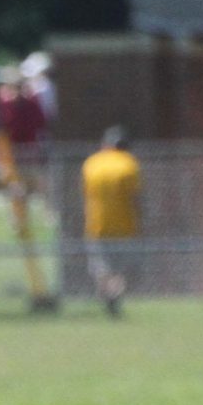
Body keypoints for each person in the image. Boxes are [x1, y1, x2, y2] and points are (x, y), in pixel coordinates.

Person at [80, 126, 143, 316]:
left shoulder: (91, 163)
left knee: (101, 269)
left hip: (96, 225)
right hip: (125, 226)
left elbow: (85, 194)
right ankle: (114, 296)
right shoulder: (129, 163)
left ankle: (107, 295)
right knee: (122, 270)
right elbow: (135, 197)